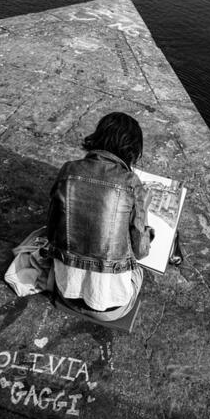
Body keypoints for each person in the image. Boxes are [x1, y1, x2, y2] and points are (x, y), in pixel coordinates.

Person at [46, 112, 154, 322]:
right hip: (113, 309)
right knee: (139, 270)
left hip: (65, 292)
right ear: (132, 150)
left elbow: (51, 234)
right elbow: (141, 251)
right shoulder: (131, 182)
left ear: (98, 137)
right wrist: (144, 209)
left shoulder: (68, 170)